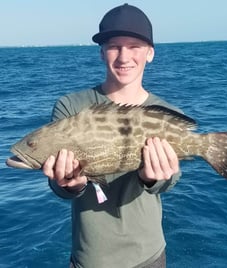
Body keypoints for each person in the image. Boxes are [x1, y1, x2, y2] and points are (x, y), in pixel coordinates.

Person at [43, 4, 182, 268]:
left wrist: (152, 178)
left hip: (149, 255)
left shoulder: (165, 113)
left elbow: (171, 179)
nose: (123, 56)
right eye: (114, 46)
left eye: (134, 46)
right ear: (101, 52)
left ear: (150, 53)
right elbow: (59, 187)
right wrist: (69, 185)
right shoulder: (71, 107)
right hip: (90, 258)